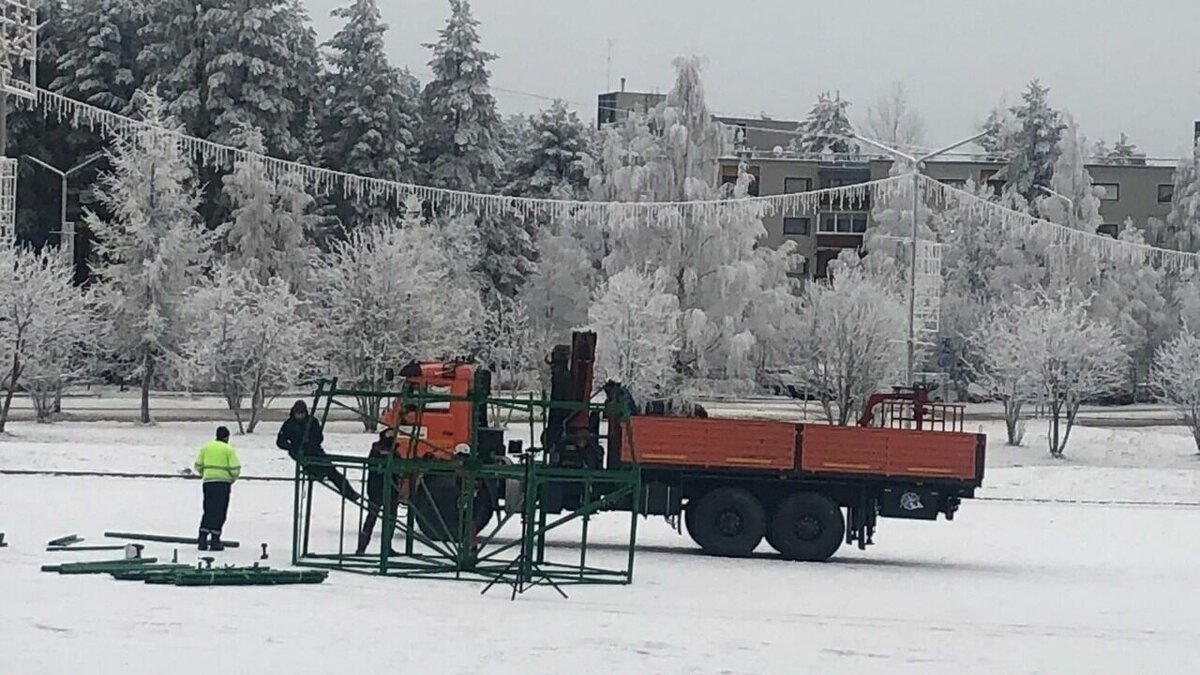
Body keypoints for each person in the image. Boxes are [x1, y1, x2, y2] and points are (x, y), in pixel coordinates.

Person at [276, 400, 361, 503]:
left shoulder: (312, 421)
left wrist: (310, 443)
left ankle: (350, 493)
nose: (300, 416)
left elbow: (319, 437)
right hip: (301, 455)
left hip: (316, 451)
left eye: (301, 413)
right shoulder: (289, 424)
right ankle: (317, 473)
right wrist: (292, 447)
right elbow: (280, 441)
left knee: (333, 472)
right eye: (298, 413)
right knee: (314, 468)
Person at [193, 426, 241, 552]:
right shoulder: (228, 449)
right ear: (227, 437)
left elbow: (198, 465)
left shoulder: (206, 447)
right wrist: (231, 479)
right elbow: (235, 468)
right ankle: (215, 540)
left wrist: (205, 474)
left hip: (208, 483)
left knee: (208, 510)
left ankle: (202, 539)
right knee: (219, 512)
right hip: (222, 484)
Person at [357, 428, 401, 555]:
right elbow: (372, 466)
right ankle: (362, 548)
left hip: (388, 489)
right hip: (377, 489)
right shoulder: (377, 450)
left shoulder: (393, 452)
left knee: (388, 519)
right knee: (373, 518)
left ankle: (385, 547)